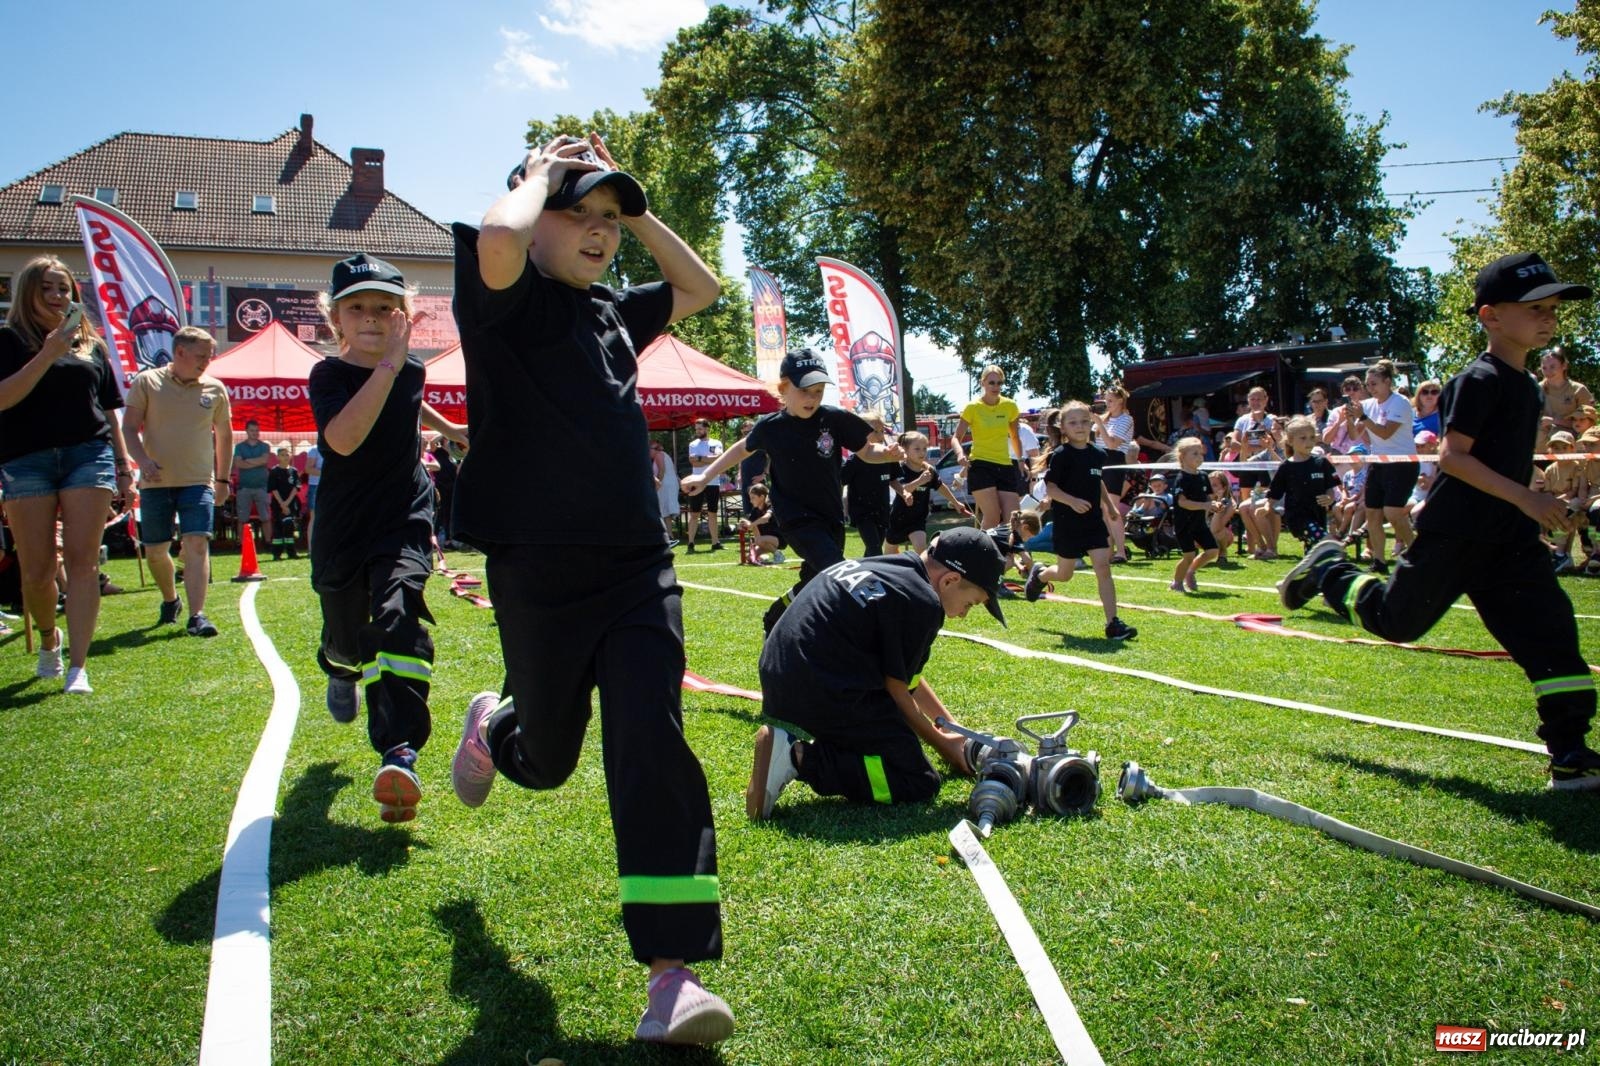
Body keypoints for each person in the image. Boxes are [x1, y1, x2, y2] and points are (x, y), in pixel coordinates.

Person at [445, 132, 733, 1043]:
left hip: (636, 566)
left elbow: (701, 290)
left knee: (651, 740)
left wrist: (637, 209)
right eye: (581, 215)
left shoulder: (612, 312)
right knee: (552, 757)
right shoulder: (504, 302)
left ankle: (671, 977)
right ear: (536, 217)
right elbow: (496, 240)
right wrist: (538, 175)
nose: (600, 232)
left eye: (610, 220)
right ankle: (497, 727)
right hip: (537, 570)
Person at [1280, 251, 1598, 790]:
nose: (1548, 317)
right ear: (1490, 316)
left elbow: (1509, 463)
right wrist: (1526, 499)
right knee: (1397, 621)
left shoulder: (1526, 386)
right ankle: (1330, 569)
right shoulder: (1478, 379)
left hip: (1511, 543)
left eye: (1552, 308)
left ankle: (1569, 753)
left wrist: (1539, 503)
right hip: (1456, 533)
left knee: (1553, 637)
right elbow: (1453, 458)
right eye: (1534, 307)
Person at [310, 253, 465, 822]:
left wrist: (453, 431)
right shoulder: (328, 375)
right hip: (344, 528)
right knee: (349, 643)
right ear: (336, 320)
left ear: (404, 316)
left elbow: (410, 404)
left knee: (398, 617)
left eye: (385, 307)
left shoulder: (411, 372)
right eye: (358, 308)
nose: (372, 317)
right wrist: (389, 368)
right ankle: (339, 666)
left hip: (403, 517)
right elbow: (344, 440)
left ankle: (399, 749)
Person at [746, 527, 1007, 820]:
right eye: (970, 604)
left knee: (891, 738)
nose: (963, 614)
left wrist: (951, 727)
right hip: (821, 690)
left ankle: (820, 746)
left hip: (785, 674)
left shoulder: (891, 567)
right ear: (950, 580)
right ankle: (797, 759)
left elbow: (907, 680)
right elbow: (897, 694)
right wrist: (947, 747)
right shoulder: (924, 602)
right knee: (917, 780)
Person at [681, 348, 901, 634]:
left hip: (831, 517)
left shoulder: (834, 419)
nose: (812, 398)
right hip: (796, 517)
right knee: (838, 570)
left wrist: (887, 453)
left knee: (814, 580)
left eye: (819, 391)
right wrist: (706, 475)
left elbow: (867, 451)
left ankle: (776, 615)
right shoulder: (771, 427)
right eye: (805, 390)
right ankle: (879, 616)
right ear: (783, 388)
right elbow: (741, 450)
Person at [0, 256, 134, 693]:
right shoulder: (8, 340)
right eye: (47, 288)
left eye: (64, 289)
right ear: (27, 293)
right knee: (37, 571)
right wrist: (48, 353)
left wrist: (123, 464)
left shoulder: (91, 345)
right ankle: (47, 638)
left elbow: (109, 411)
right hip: (27, 459)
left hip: (87, 454)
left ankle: (79, 666)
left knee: (83, 562)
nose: (59, 297)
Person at [121, 325, 231, 637]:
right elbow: (129, 428)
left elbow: (224, 436)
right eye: (200, 356)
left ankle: (198, 615)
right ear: (179, 352)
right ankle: (171, 599)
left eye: (209, 357)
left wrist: (222, 479)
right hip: (155, 483)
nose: (206, 362)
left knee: (196, 543)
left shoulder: (215, 388)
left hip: (199, 481)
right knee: (157, 550)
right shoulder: (147, 381)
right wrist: (141, 461)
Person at [1022, 402, 1138, 640]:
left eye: (1085, 421)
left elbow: (1098, 482)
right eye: (1073, 423)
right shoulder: (1062, 456)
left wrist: (1109, 505)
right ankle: (1041, 575)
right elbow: (1051, 489)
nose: (1080, 427)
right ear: (1063, 427)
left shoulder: (1097, 454)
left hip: (1093, 521)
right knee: (1065, 574)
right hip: (1067, 523)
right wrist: (1072, 501)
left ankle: (1113, 623)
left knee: (1103, 567)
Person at [1347, 359, 1417, 573]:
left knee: (1393, 512)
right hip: (1378, 463)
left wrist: (1363, 417)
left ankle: (1417, 555)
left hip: (1402, 463)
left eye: (1374, 383)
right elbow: (1353, 435)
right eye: (1368, 384)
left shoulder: (1400, 402)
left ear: (1387, 382)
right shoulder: (1367, 405)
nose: (1370, 388)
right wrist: (1350, 417)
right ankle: (1379, 561)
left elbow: (1385, 432)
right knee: (1373, 513)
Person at [948, 364, 1023, 529]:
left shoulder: (1010, 406)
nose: (996, 386)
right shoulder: (973, 408)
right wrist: (960, 454)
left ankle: (1008, 555)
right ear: (983, 383)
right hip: (980, 465)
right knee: (993, 516)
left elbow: (1015, 436)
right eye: (991, 382)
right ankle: (982, 553)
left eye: (999, 383)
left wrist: (1021, 460)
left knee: (1014, 519)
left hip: (1005, 465)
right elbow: (956, 437)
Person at [885, 430, 971, 554]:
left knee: (921, 549)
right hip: (898, 518)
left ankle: (925, 572)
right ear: (905, 450)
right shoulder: (900, 469)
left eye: (925, 449)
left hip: (917, 519)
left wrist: (956, 503)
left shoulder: (929, 470)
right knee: (889, 555)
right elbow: (903, 490)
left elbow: (941, 487)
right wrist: (920, 481)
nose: (922, 452)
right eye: (917, 449)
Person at [1265, 416, 1337, 554]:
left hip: (1318, 516)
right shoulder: (1286, 467)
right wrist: (1266, 507)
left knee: (1315, 554)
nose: (1308, 442)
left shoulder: (1322, 463)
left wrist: (1329, 498)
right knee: (1328, 543)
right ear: (1291, 441)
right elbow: (1275, 493)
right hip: (1297, 518)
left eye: (1311, 437)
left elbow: (1330, 488)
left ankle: (1310, 574)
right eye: (1303, 438)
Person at [1169, 436, 1222, 593]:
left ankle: (1190, 572)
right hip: (1184, 523)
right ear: (1182, 456)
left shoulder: (1203, 476)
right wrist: (1205, 505)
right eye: (1195, 454)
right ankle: (1176, 583)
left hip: (1199, 523)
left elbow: (1208, 497)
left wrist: (1214, 504)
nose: (1200, 457)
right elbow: (1183, 503)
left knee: (1212, 551)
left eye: (1201, 454)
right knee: (1189, 555)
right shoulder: (1180, 479)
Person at [683, 418, 726, 552]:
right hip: (696, 481)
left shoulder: (716, 442)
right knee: (694, 513)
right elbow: (693, 462)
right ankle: (690, 543)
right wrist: (709, 460)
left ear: (707, 428)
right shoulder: (693, 444)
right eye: (696, 429)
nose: (698, 431)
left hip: (713, 481)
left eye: (700, 428)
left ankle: (715, 542)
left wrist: (701, 458)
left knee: (712, 513)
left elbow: (720, 459)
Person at [841, 448, 892, 556]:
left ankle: (864, 570)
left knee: (872, 551)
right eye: (876, 432)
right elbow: (841, 481)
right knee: (875, 550)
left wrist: (904, 492)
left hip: (882, 511)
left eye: (882, 432)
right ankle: (872, 571)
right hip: (862, 513)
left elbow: (894, 480)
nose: (880, 435)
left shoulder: (888, 456)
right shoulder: (854, 460)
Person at [233, 418, 272, 546]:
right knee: (242, 518)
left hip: (262, 487)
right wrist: (257, 461)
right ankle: (242, 543)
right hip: (244, 488)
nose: (255, 433)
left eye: (257, 430)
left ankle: (268, 542)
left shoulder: (265, 445)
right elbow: (239, 464)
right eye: (252, 430)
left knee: (265, 517)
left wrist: (247, 460)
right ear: (247, 431)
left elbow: (264, 460)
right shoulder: (239, 447)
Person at [1539, 346, 1592, 439]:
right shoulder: (1537, 389)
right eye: (1544, 368)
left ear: (1564, 366)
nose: (1548, 371)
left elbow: (1588, 423)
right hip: (1540, 439)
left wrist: (1554, 421)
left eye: (1552, 366)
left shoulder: (1579, 390)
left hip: (1570, 441)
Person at [267, 442, 300, 561]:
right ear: (277, 457)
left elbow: (296, 488)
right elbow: (273, 489)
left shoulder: (294, 471)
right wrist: (282, 504)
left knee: (290, 527)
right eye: (282, 455)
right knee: (278, 529)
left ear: (290, 456)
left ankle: (291, 552)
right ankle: (277, 553)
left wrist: (287, 503)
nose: (285, 457)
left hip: (290, 504)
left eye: (287, 454)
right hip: (277, 505)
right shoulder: (274, 471)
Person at [738, 482, 784, 564]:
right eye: (750, 498)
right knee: (750, 558)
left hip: (779, 539)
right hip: (763, 540)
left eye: (753, 498)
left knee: (758, 540)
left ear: (762, 497)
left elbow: (766, 518)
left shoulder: (771, 506)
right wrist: (743, 524)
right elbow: (750, 524)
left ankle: (778, 554)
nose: (751, 501)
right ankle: (764, 557)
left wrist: (751, 525)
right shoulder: (755, 510)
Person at [1322, 375, 1369, 454]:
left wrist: (1357, 420)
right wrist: (1339, 421)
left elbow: (1370, 440)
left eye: (1355, 389)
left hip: (1359, 456)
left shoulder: (1367, 410)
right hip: (1338, 455)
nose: (1351, 392)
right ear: (1343, 392)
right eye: (1347, 389)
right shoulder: (1336, 412)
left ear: (1361, 391)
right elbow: (1326, 440)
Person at [650, 438, 679, 541]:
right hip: (670, 483)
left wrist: (657, 485)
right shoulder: (665, 455)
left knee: (663, 509)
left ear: (655, 449)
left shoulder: (658, 455)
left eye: (650, 449)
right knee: (665, 511)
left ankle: (666, 535)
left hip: (664, 485)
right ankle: (669, 535)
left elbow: (661, 471)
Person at [301, 441, 323, 550]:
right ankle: (311, 548)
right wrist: (326, 472)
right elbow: (308, 468)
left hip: (330, 486)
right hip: (316, 486)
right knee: (314, 517)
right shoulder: (314, 450)